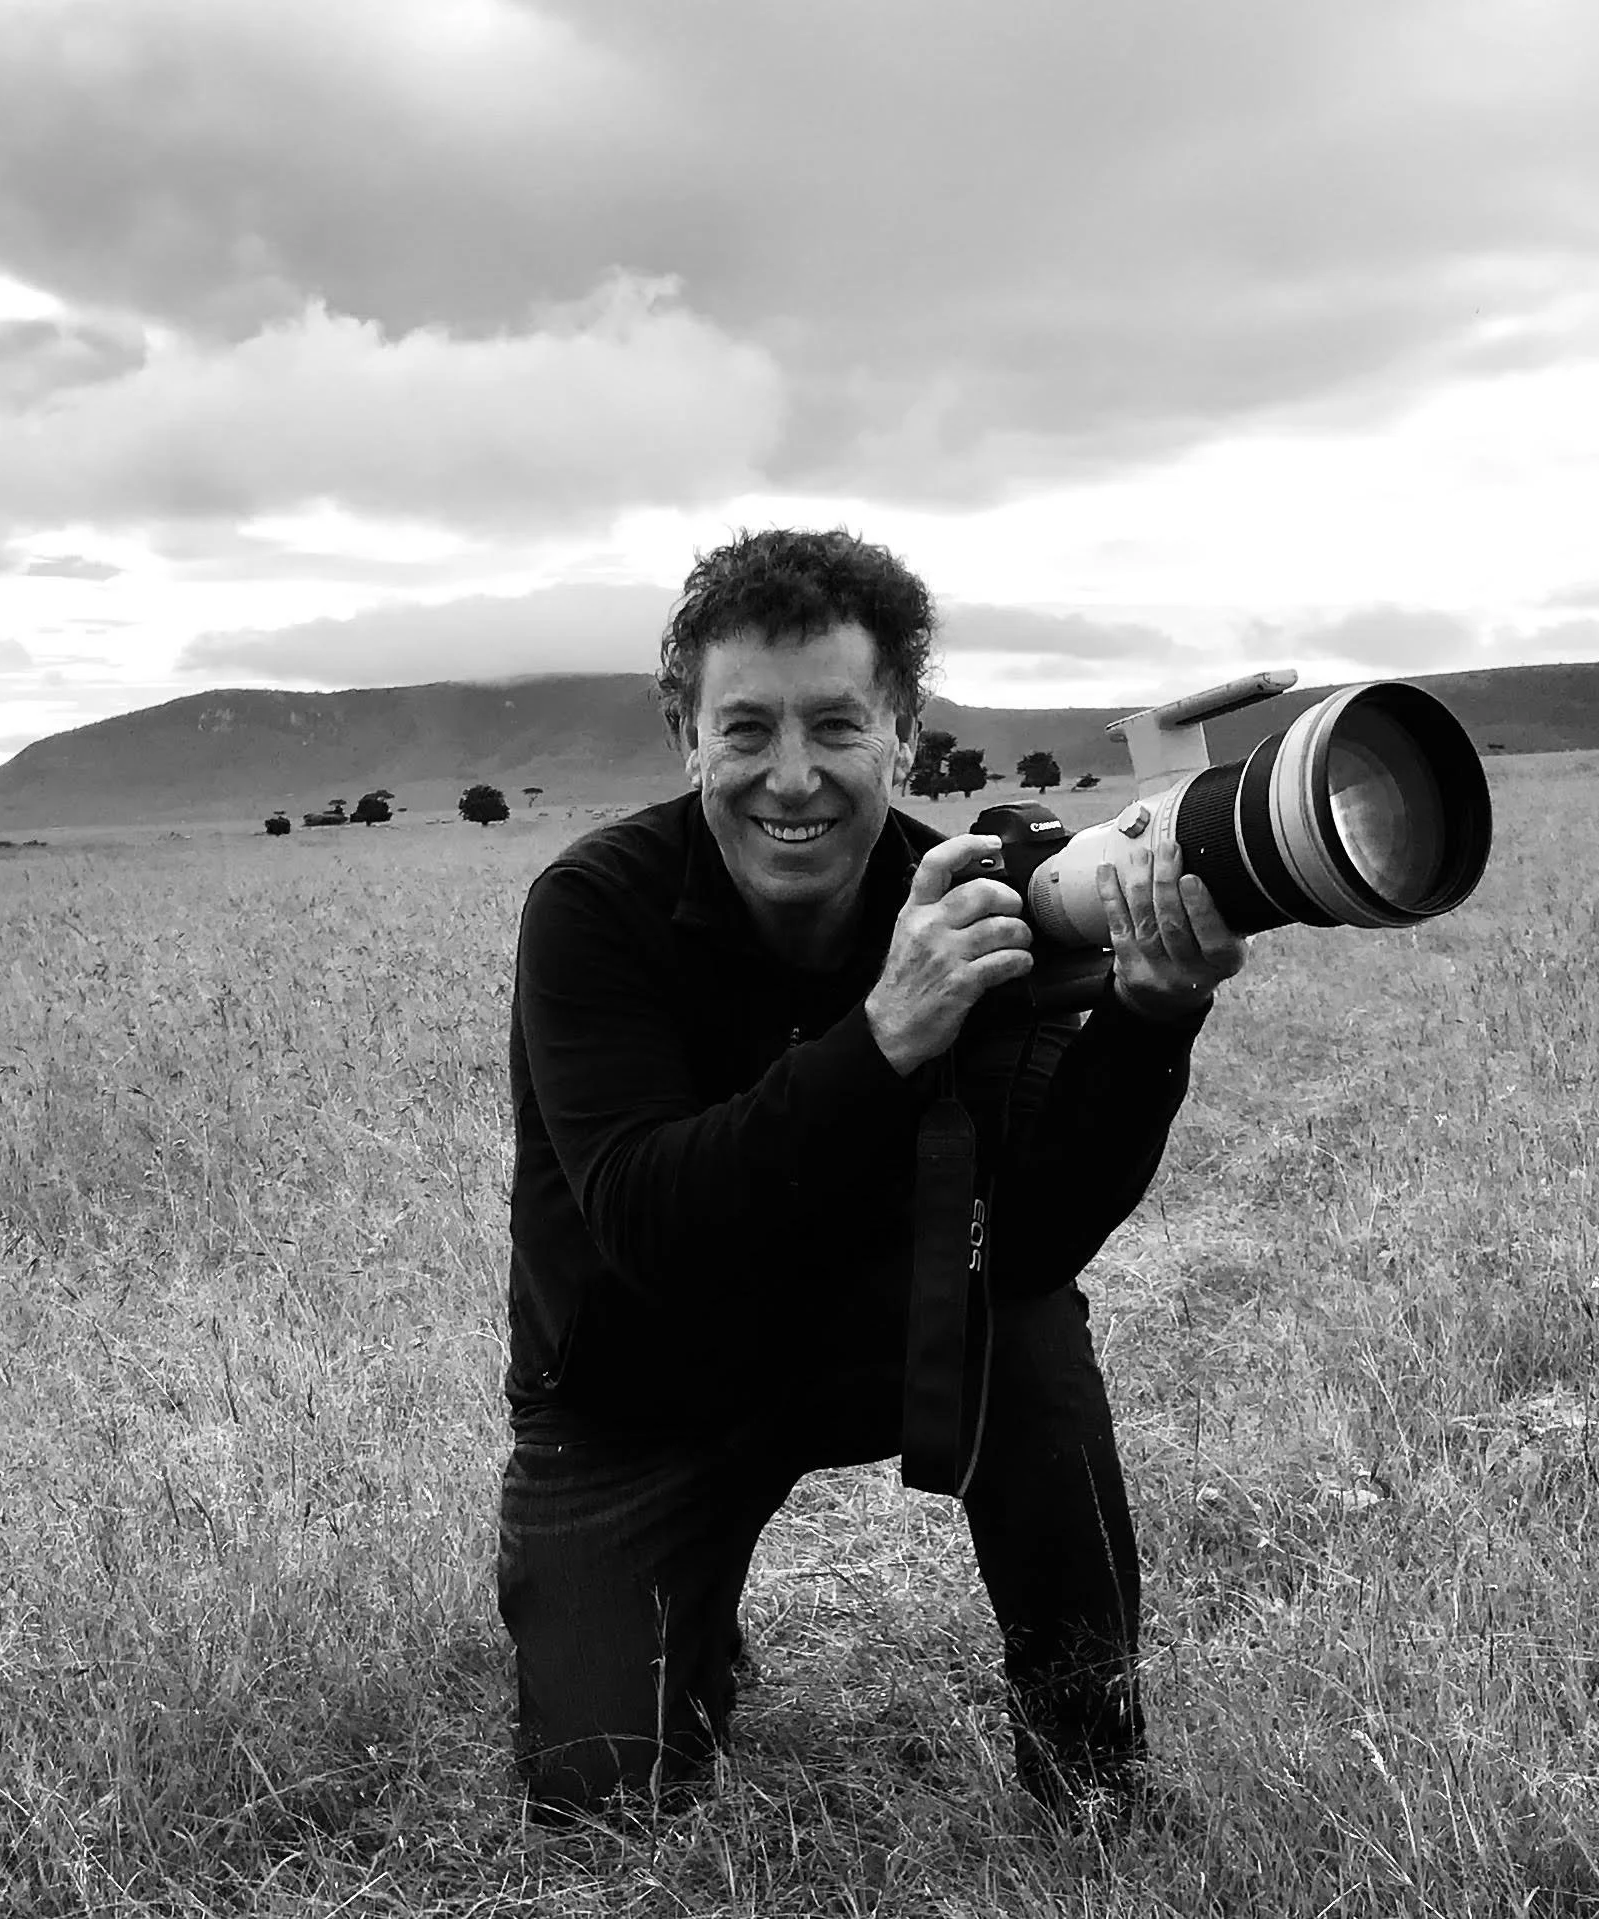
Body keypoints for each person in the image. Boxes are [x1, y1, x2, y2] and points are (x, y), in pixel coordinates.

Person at [498, 528, 1247, 1819]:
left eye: (837, 726)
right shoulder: (592, 911)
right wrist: (884, 1035)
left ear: (901, 733)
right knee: (601, 1800)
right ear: (687, 736)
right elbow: (651, 1224)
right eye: (745, 731)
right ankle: (689, 1621)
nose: (792, 778)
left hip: (869, 1338)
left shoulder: (965, 899)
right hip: (641, 1383)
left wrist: (1147, 1022)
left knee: (1029, 1330)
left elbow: (1034, 1242)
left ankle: (1090, 1767)